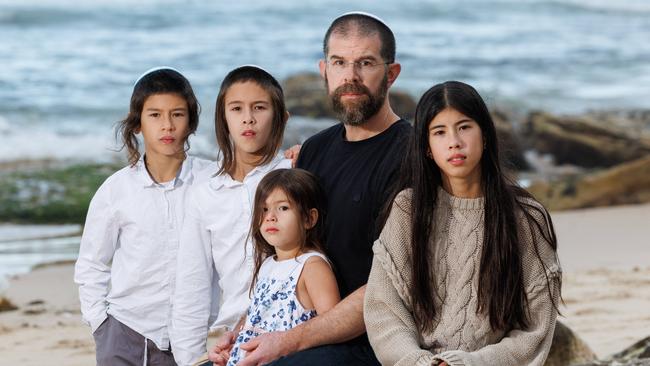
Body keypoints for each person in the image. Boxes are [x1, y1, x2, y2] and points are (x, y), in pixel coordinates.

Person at [211, 12, 413, 366]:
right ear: (324, 70)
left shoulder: (410, 155)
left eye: (365, 63)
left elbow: (388, 287)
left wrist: (286, 342)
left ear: (391, 73)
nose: (350, 77)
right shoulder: (314, 150)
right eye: (339, 63)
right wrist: (248, 330)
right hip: (304, 330)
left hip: (374, 338)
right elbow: (290, 257)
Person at [364, 81, 562, 365]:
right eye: (439, 132)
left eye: (464, 127)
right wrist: (420, 362)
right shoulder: (408, 210)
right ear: (428, 148)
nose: (454, 141)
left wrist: (468, 363)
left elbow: (534, 330)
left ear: (485, 135)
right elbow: (384, 311)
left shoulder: (525, 217)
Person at [74, 67, 217, 366]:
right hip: (125, 334)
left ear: (190, 121)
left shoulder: (214, 181)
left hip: (192, 344)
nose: (167, 125)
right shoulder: (116, 190)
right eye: (155, 115)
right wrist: (101, 324)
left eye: (177, 114)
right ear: (138, 123)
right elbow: (91, 263)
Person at [171, 65, 291, 366]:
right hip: (236, 339)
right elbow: (193, 286)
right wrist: (188, 360)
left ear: (280, 117)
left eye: (259, 108)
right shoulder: (205, 194)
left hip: (290, 332)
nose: (248, 118)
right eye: (236, 109)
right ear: (223, 120)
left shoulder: (293, 177)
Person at [222, 168, 340, 365]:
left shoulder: (312, 266)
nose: (270, 217)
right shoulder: (268, 263)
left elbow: (332, 327)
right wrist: (234, 336)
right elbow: (255, 316)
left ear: (309, 218)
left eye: (283, 208)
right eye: (264, 209)